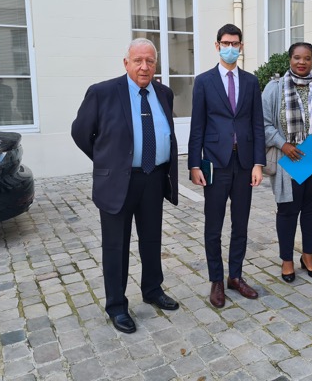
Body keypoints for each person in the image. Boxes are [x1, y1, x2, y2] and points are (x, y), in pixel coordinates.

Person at [71, 38, 180, 334]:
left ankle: (153, 289)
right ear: (126, 63)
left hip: (154, 178)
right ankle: (117, 305)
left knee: (151, 239)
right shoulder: (102, 92)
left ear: (155, 64)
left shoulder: (164, 93)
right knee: (116, 245)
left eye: (150, 61)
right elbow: (80, 133)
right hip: (118, 182)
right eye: (138, 61)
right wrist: (108, 161)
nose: (144, 67)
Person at [188, 24, 266, 308]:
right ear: (217, 45)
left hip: (244, 163)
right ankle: (216, 280)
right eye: (225, 43)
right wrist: (194, 164)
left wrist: (258, 163)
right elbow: (197, 125)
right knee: (214, 225)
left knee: (240, 223)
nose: (230, 48)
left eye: (235, 43)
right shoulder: (204, 81)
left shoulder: (251, 81)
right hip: (215, 163)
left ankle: (235, 276)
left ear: (241, 47)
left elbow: (257, 125)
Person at [262, 42, 312, 282]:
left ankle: (308, 257)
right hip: (288, 160)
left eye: (307, 58)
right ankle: (287, 260)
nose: (302, 62)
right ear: (290, 59)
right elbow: (262, 123)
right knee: (287, 211)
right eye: (297, 57)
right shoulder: (274, 88)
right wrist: (282, 144)